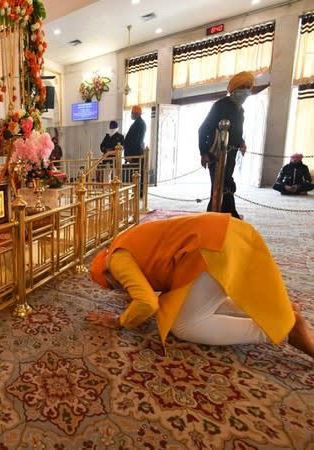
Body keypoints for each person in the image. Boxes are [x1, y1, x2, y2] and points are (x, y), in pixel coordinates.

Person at [86, 212, 314, 360]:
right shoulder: (124, 242)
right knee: (201, 302)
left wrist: (119, 321)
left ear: (109, 274)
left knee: (184, 325)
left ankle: (282, 329)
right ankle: (279, 311)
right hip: (229, 233)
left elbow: (147, 302)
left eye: (115, 286)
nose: (120, 289)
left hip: (210, 249)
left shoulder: (116, 261)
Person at [198, 71, 254, 219]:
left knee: (223, 185)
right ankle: (227, 215)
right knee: (222, 185)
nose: (246, 90)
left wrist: (241, 142)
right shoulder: (220, 106)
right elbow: (203, 129)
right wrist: (203, 152)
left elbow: (236, 131)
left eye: (248, 87)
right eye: (243, 86)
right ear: (234, 88)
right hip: (216, 153)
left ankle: (216, 216)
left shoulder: (240, 110)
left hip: (231, 153)